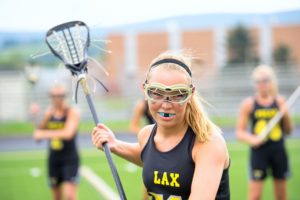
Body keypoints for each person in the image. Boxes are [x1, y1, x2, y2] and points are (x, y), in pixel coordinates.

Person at [92, 52, 230, 199]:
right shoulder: (146, 135)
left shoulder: (208, 143)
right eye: (157, 93)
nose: (166, 105)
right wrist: (115, 145)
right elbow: (149, 155)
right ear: (144, 90)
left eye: (178, 94)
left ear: (190, 94)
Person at [236, 65, 293, 200]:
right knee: (254, 196)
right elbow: (240, 132)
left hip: (278, 151)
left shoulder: (280, 102)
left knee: (281, 196)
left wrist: (285, 115)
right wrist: (252, 139)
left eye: (265, 80)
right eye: (258, 81)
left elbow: (289, 131)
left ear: (271, 81)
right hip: (259, 152)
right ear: (255, 83)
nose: (262, 84)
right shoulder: (248, 104)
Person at [32, 83, 80, 200]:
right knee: (57, 197)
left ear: (65, 96)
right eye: (54, 96)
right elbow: (38, 136)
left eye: (61, 96)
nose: (57, 99)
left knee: (70, 196)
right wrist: (35, 116)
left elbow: (68, 134)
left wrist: (44, 134)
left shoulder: (72, 112)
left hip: (70, 158)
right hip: (54, 159)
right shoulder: (49, 113)